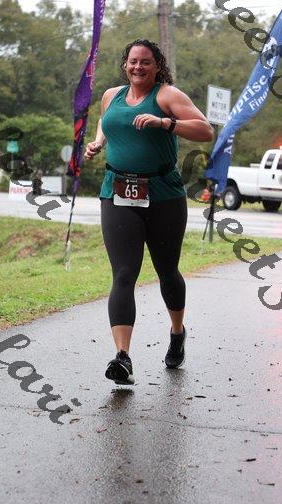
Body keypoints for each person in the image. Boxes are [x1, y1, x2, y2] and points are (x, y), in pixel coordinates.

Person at [84, 38, 213, 385]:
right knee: (123, 274)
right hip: (118, 191)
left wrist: (165, 123)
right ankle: (122, 357)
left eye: (145, 62)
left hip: (162, 194)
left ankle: (177, 332)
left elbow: (205, 130)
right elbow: (106, 121)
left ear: (157, 66)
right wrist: (99, 142)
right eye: (132, 61)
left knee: (166, 271)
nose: (137, 67)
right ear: (124, 64)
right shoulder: (111, 95)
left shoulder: (167, 95)